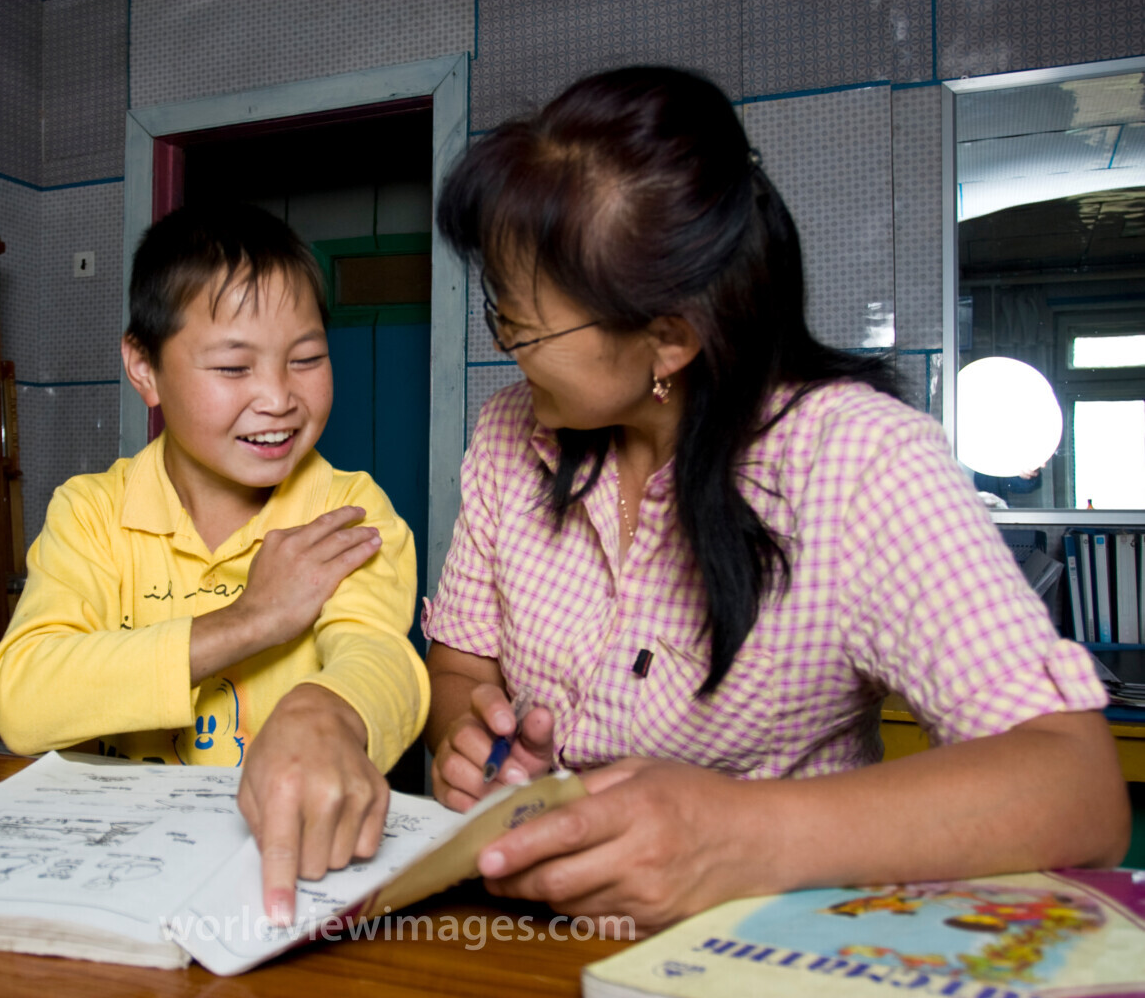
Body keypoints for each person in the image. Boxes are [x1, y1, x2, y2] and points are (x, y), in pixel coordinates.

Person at [422, 66, 1129, 933]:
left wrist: (740, 836)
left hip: (771, 952)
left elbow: (1077, 788)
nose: (508, 351)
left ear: (668, 339)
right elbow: (462, 667)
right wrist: (473, 747)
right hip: (530, 942)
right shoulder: (509, 435)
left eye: (523, 329)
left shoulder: (858, 461)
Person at [0, 202, 429, 926]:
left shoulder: (348, 509)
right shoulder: (92, 512)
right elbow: (23, 696)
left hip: (280, 881)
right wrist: (248, 621)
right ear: (144, 368)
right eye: (233, 366)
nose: (280, 398)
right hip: (112, 877)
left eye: (307, 358)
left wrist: (331, 710)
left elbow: (377, 654)